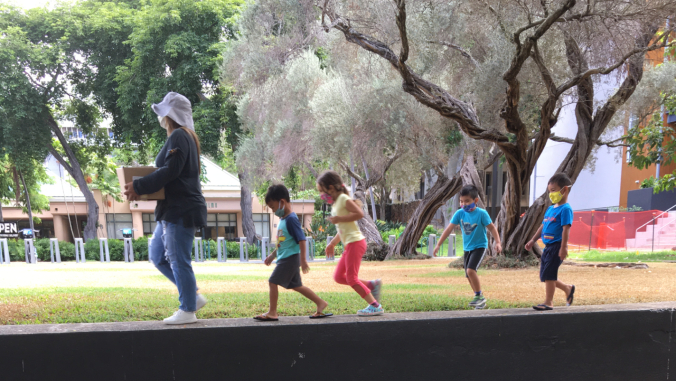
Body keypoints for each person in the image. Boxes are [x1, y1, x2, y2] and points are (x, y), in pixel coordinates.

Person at [123, 92, 208, 325]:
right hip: (170, 210)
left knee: (178, 259)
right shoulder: (182, 137)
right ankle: (193, 296)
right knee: (158, 256)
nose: (161, 120)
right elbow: (169, 171)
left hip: (181, 209)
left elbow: (170, 171)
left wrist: (138, 185)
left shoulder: (181, 135)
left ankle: (188, 309)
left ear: (170, 115)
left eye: (163, 114)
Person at [254, 184, 331, 321]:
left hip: (289, 259)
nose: (273, 211)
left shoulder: (291, 219)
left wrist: (303, 260)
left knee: (273, 282)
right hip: (285, 257)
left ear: (282, 202)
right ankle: (320, 303)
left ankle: (272, 312)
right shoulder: (283, 219)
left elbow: (301, 240)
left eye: (273, 207)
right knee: (296, 286)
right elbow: (283, 243)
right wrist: (272, 255)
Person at [318, 171, 383, 316]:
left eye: (322, 191)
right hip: (350, 244)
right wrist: (332, 244)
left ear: (331, 188)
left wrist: (339, 218)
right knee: (339, 277)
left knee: (352, 279)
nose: (321, 195)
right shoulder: (336, 204)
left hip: (356, 243)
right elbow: (342, 229)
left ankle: (375, 305)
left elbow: (359, 214)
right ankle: (372, 285)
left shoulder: (342, 199)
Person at [433, 185, 502, 310]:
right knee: (468, 275)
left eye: (467, 201)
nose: (463, 204)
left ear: (475, 201)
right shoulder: (460, 213)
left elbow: (492, 228)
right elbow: (449, 229)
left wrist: (498, 242)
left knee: (471, 271)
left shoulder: (482, 213)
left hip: (480, 247)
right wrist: (438, 244)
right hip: (467, 248)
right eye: (461, 201)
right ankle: (479, 298)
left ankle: (479, 296)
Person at [525, 173, 576, 311]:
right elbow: (543, 226)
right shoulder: (550, 209)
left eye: (553, 190)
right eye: (550, 191)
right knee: (545, 275)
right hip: (548, 247)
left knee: (549, 274)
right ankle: (567, 288)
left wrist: (563, 247)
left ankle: (548, 302)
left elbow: (566, 229)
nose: (551, 194)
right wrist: (532, 240)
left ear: (564, 190)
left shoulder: (566, 209)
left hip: (557, 246)